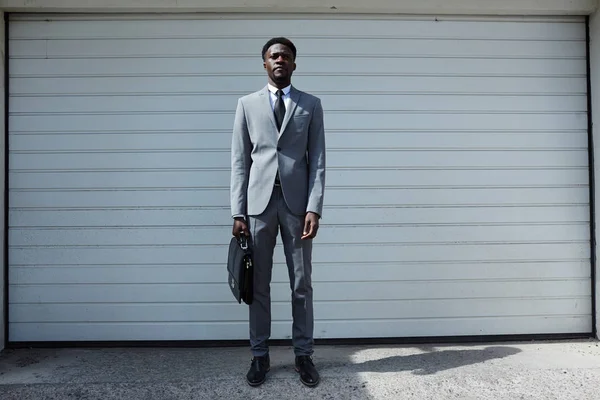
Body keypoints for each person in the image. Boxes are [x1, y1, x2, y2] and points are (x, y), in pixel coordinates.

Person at [230, 37, 326, 387]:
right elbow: (240, 162)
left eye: (286, 55)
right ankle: (259, 355)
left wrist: (314, 207)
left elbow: (317, 161)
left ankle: (303, 355)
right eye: (274, 56)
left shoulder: (311, 105)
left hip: (298, 209)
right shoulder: (247, 104)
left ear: (294, 64)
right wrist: (237, 212)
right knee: (258, 285)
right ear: (265, 64)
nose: (280, 59)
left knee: (301, 284)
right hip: (258, 208)